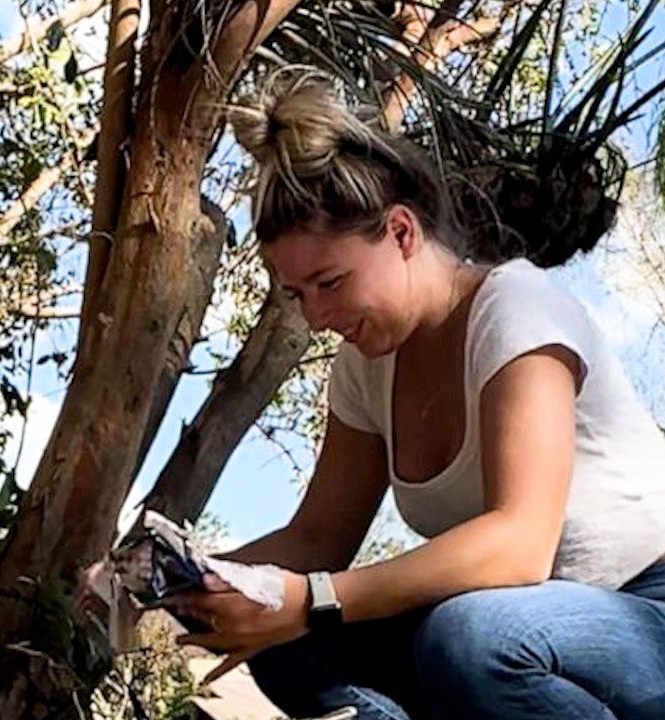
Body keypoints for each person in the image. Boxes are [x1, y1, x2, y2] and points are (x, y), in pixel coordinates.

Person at [163, 68, 665, 719]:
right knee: (289, 642)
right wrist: (181, 587)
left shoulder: (515, 309)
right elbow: (318, 539)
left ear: (401, 232)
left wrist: (311, 599)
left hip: (645, 610)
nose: (316, 315)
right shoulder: (365, 366)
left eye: (331, 282)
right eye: (298, 295)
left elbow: (521, 544)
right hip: (519, 632)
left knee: (472, 638)